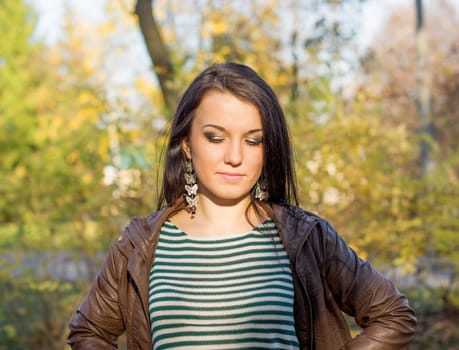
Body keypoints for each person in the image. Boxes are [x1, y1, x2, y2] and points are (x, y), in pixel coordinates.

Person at [67, 62, 416, 349]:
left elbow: (393, 315)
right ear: (186, 144)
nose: (234, 157)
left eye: (253, 141)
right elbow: (89, 332)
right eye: (215, 137)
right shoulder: (139, 244)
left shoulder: (306, 237)